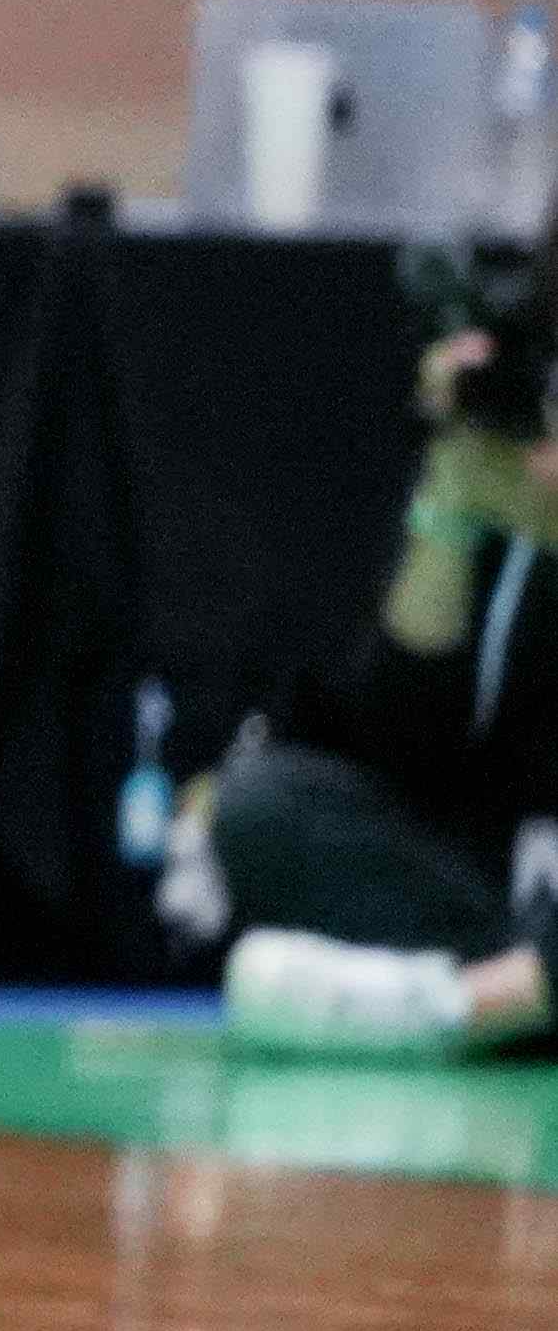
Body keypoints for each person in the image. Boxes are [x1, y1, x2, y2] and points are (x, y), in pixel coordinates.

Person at [208, 303, 558, 1061]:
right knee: (267, 805)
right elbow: (406, 748)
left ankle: (470, 1006)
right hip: (514, 884)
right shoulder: (521, 501)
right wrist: (451, 509)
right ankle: (517, 994)